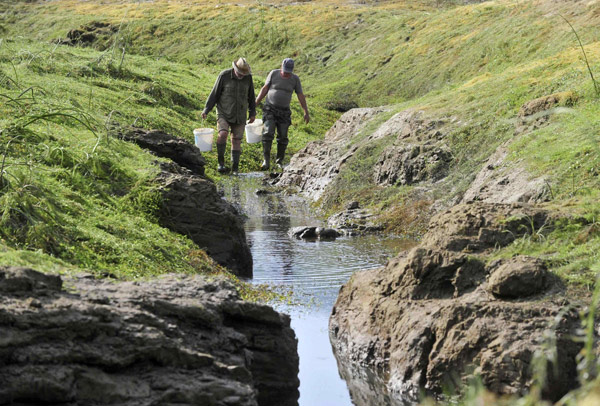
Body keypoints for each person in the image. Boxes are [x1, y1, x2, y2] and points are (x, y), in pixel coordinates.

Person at [202, 57, 256, 175]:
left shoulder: (248, 78)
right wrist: (206, 109)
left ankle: (235, 168)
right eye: (240, 73)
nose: (242, 75)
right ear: (234, 68)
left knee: (236, 140)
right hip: (224, 112)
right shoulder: (224, 76)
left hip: (240, 114)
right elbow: (214, 94)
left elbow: (251, 96)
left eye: (244, 73)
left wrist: (252, 113)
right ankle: (220, 163)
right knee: (223, 134)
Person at [255, 58, 309, 170]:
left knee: (283, 136)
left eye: (288, 72)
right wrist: (256, 102)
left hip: (284, 112)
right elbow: (265, 88)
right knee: (267, 133)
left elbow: (300, 95)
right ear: (281, 67)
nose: (286, 74)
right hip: (270, 109)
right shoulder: (273, 74)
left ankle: (279, 161)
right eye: (285, 71)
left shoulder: (295, 79)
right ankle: (266, 160)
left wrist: (305, 111)